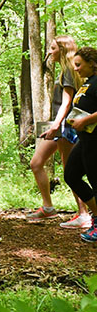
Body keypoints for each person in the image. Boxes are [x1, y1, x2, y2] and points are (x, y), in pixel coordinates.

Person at [26, 35, 90, 228]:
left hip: (66, 127)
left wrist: (55, 126)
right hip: (58, 125)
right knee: (36, 163)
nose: (49, 52)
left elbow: (66, 103)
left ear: (62, 50)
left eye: (52, 48)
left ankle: (84, 214)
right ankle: (48, 207)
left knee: (69, 170)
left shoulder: (70, 70)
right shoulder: (66, 70)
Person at [62, 47, 97, 242]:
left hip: (95, 139)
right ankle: (96, 215)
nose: (75, 69)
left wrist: (87, 120)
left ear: (92, 63)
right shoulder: (87, 83)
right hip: (85, 140)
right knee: (71, 175)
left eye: (78, 65)